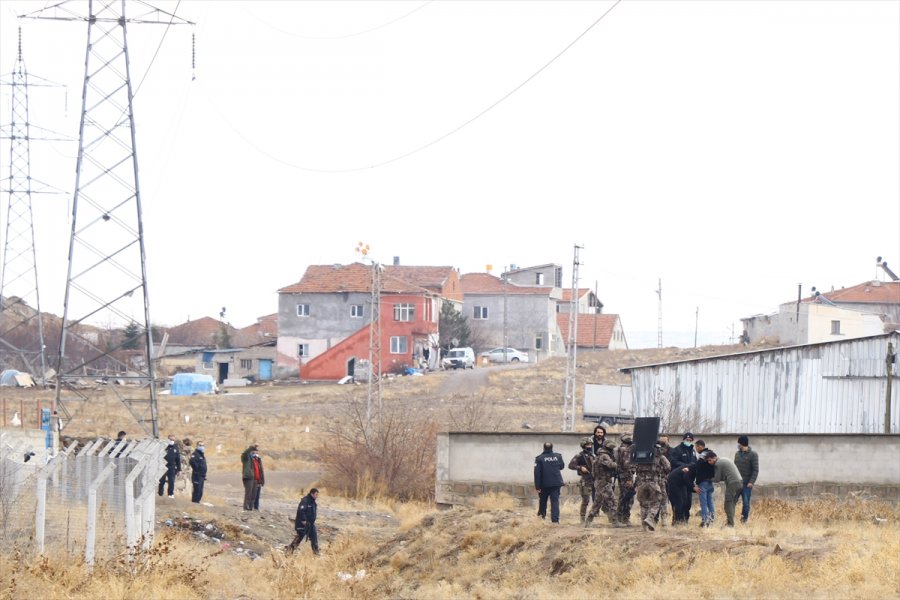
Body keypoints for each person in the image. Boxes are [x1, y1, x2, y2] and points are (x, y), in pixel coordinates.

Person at [635, 440, 670, 531]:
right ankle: (650, 518)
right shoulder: (660, 457)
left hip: (641, 483)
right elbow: (668, 468)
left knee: (644, 504)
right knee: (656, 501)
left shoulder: (641, 456)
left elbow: (636, 468)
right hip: (653, 483)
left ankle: (644, 527)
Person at [585, 439, 619, 527]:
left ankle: (588, 521)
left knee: (597, 503)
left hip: (599, 481)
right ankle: (615, 522)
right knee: (613, 501)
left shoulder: (599, 455)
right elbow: (611, 465)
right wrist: (616, 463)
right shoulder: (604, 455)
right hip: (604, 482)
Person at [682, 441, 716, 527]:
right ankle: (711, 520)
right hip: (710, 482)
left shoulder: (703, 454)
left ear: (700, 446)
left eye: (696, 447)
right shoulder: (711, 453)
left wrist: (688, 468)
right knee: (710, 502)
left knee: (704, 503)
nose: (696, 449)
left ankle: (704, 521)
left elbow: (697, 465)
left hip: (703, 482)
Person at [666, 432, 697, 525]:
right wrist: (685, 466)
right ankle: (677, 521)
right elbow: (673, 461)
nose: (688, 441)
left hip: (688, 479)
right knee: (679, 502)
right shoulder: (677, 450)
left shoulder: (692, 451)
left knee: (688, 502)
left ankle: (685, 520)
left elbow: (694, 463)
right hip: (678, 479)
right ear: (683, 440)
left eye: (690, 440)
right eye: (687, 440)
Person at [707, 451, 743, 527]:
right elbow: (723, 476)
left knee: (728, 504)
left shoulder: (718, 463)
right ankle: (730, 522)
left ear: (714, 458)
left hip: (732, 483)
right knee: (732, 503)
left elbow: (717, 479)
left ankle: (730, 524)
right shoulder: (724, 459)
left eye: (710, 460)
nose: (709, 462)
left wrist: (707, 478)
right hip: (739, 482)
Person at [533, 441, 565, 524]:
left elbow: (537, 473)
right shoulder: (558, 456)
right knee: (555, 502)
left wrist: (537, 486)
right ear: (552, 448)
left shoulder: (539, 458)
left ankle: (541, 518)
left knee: (543, 501)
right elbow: (562, 467)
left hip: (544, 484)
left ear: (543, 448)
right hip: (556, 483)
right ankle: (555, 521)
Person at [568, 438, 595, 523]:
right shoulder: (579, 456)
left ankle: (592, 517)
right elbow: (571, 465)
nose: (589, 446)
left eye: (590, 444)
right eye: (587, 445)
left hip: (594, 480)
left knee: (598, 499)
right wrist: (580, 467)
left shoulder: (593, 455)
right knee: (586, 500)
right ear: (583, 446)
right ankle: (582, 519)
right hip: (585, 480)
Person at [286, 489, 320, 555]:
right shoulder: (305, 500)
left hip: (311, 524)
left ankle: (316, 553)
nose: (317, 496)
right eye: (316, 494)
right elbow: (301, 511)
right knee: (299, 538)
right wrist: (304, 520)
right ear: (311, 494)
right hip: (302, 524)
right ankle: (289, 551)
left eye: (317, 495)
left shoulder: (313, 502)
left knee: (314, 538)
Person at [734, 435, 760, 523]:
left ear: (742, 443)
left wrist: (751, 482)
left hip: (747, 484)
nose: (738, 445)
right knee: (732, 501)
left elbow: (755, 470)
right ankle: (730, 519)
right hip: (737, 483)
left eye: (739, 443)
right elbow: (734, 468)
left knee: (746, 503)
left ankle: (744, 520)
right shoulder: (737, 454)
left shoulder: (753, 454)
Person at [614, 433, 637, 526]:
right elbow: (626, 465)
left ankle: (621, 517)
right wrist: (629, 479)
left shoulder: (619, 449)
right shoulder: (625, 449)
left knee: (623, 497)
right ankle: (624, 518)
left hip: (622, 476)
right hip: (626, 476)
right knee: (628, 498)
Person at [241, 444, 265, 511]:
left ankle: (250, 508)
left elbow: (260, 470)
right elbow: (245, 453)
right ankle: (246, 508)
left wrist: (261, 480)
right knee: (248, 493)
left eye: (256, 451)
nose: (255, 452)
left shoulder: (257, 459)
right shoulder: (246, 458)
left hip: (255, 478)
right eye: (253, 451)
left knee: (253, 494)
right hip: (248, 477)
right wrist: (251, 447)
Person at [158, 434, 181, 498]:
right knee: (162, 481)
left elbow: (178, 458)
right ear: (168, 439)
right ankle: (160, 493)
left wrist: (179, 469)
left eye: (173, 440)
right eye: (170, 440)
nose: (172, 441)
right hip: (163, 466)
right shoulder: (164, 446)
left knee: (171, 481)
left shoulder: (175, 447)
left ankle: (170, 494)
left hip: (172, 467)